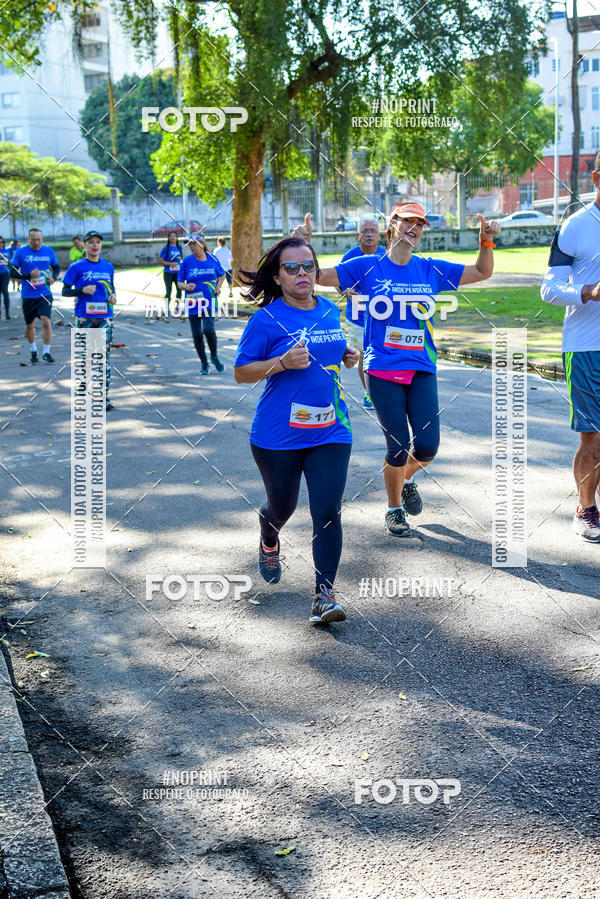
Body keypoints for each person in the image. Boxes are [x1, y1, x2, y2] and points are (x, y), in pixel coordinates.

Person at [292, 205, 500, 538]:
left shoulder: (429, 269)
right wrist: (304, 248)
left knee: (429, 446)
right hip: (382, 368)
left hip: (421, 368)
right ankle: (394, 509)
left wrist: (486, 242)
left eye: (420, 224)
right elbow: (315, 276)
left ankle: (404, 478)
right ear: (393, 225)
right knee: (399, 445)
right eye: (408, 221)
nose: (414, 228)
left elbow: (481, 272)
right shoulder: (365, 266)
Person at [234, 237, 360, 623]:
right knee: (282, 507)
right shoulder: (265, 320)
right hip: (277, 436)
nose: (302, 273)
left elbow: (329, 353)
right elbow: (241, 372)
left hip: (331, 430)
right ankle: (269, 535)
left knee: (327, 510)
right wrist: (281, 362)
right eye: (292, 268)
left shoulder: (327, 309)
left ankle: (325, 596)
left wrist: (346, 354)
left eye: (309, 266)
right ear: (277, 275)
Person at [541, 151, 600, 542]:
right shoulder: (576, 226)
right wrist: (588, 291)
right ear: (596, 179)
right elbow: (548, 289)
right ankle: (586, 507)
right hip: (586, 347)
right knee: (593, 436)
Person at [62, 230, 116, 411]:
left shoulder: (108, 266)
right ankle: (83, 387)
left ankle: (103, 397)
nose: (95, 245)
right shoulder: (76, 267)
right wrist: (82, 290)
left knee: (103, 358)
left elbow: (111, 289)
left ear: (101, 245)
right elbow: (65, 291)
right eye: (91, 242)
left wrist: (113, 297)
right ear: (84, 245)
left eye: (98, 242)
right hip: (84, 318)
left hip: (105, 317)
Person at [339, 216, 386, 409]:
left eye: (373, 231)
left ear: (379, 235)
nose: (369, 234)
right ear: (358, 235)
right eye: (365, 231)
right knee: (365, 354)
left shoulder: (387, 254)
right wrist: (345, 291)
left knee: (382, 353)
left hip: (383, 314)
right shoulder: (350, 256)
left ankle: (385, 391)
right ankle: (369, 393)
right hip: (357, 316)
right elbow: (338, 282)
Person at [177, 234, 226, 374]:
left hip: (209, 301)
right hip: (193, 302)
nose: (192, 247)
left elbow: (221, 274)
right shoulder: (186, 262)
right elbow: (180, 282)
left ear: (202, 244)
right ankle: (204, 363)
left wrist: (218, 287)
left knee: (208, 329)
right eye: (190, 244)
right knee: (197, 335)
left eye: (194, 243)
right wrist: (185, 287)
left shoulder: (212, 258)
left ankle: (214, 356)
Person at [11, 228, 60, 364]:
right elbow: (12, 273)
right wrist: (28, 276)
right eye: (33, 240)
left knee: (45, 320)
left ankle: (46, 352)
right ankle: (33, 350)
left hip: (44, 293)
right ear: (29, 240)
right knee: (30, 325)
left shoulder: (49, 251)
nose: (37, 243)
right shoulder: (20, 252)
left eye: (39, 240)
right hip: (28, 295)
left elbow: (56, 267)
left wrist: (53, 277)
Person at [158, 230, 183, 307]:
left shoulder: (179, 247)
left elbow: (180, 259)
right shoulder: (166, 248)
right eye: (170, 236)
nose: (172, 238)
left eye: (174, 236)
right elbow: (160, 261)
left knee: (179, 290)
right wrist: (170, 264)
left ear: (177, 238)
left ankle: (177, 306)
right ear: (168, 238)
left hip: (177, 273)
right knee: (168, 291)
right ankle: (167, 307)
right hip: (168, 273)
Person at [0, 237, 11, 319]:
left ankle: (7, 313)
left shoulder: (6, 251)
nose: (0, 243)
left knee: (5, 293)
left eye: (1, 242)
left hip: (5, 274)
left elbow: (10, 262)